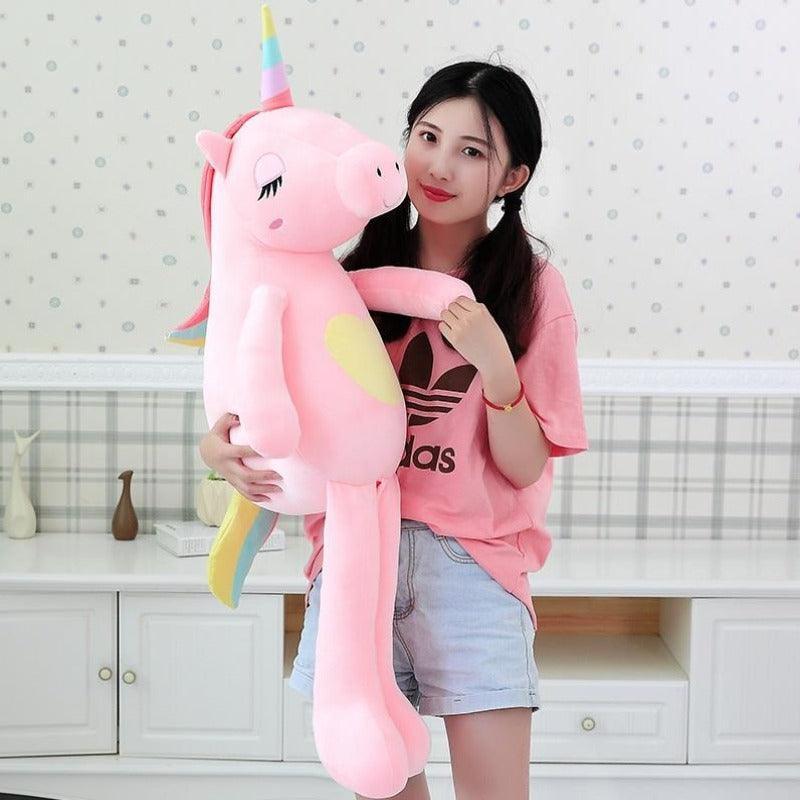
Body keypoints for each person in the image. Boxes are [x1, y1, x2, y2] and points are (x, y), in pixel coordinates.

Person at [200, 60, 588, 800]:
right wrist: (218, 448)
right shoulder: (342, 278)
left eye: (471, 151)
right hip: (355, 563)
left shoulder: (533, 290)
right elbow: (264, 402)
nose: (438, 166)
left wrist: (497, 368)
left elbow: (524, 465)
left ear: (512, 177)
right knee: (381, 783)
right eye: (427, 137)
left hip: (474, 573)